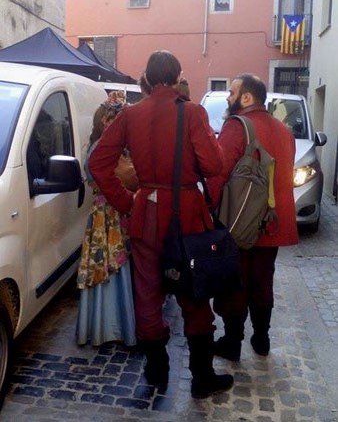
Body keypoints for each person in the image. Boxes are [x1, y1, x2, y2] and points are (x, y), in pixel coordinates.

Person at [88, 50, 234, 399]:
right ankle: (201, 379)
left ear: (150, 80)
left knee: (148, 295)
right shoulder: (193, 112)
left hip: (146, 214)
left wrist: (127, 202)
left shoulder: (131, 115)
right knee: (194, 295)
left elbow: (98, 163)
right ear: (177, 75)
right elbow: (214, 166)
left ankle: (156, 371)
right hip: (186, 213)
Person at [208, 73, 299, 361]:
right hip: (271, 221)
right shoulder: (284, 130)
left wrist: (209, 211)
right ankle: (262, 338)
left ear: (246, 97)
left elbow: (219, 173)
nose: (228, 96)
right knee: (263, 280)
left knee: (235, 283)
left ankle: (232, 342)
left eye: (232, 91)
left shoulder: (237, 127)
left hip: (240, 221)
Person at [76, 91, 138, 348]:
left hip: (108, 213)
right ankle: (113, 327)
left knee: (110, 267)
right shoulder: (101, 150)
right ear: (106, 121)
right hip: (108, 214)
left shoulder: (101, 148)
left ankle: (107, 326)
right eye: (117, 119)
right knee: (108, 268)